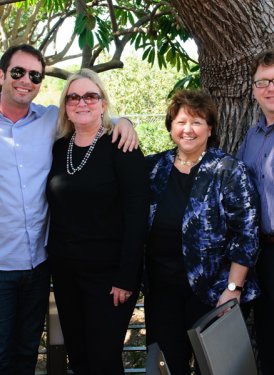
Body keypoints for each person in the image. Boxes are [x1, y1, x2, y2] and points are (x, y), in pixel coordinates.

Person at [0, 44, 138, 375]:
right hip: (21, 268)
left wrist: (126, 120)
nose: (26, 80)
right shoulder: (60, 142)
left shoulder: (53, 124)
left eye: (35, 75)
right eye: (18, 72)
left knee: (31, 352)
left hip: (47, 268)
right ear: (2, 75)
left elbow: (136, 213)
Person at [144, 89, 260, 375]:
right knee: (168, 367)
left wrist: (233, 289)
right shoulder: (153, 168)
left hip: (214, 293)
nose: (188, 129)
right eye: (181, 122)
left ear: (210, 128)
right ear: (171, 127)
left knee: (216, 369)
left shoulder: (229, 170)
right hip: (162, 294)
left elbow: (246, 234)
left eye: (196, 122)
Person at [46, 68, 149, 375]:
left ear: (103, 103)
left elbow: (137, 216)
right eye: (73, 97)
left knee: (103, 360)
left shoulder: (123, 148)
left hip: (109, 279)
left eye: (91, 95)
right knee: (78, 358)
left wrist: (126, 278)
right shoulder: (58, 147)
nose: (82, 102)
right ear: (65, 105)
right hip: (66, 275)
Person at [237, 49, 274, 375]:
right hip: (262, 255)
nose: (269, 88)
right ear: (253, 89)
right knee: (267, 336)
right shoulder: (250, 138)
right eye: (262, 81)